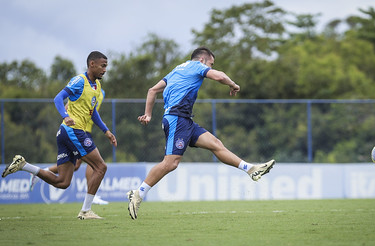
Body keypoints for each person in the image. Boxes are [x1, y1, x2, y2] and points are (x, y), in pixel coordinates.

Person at [127, 47, 275, 220]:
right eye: (211, 64)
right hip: (176, 119)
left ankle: (251, 169)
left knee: (216, 144)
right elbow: (219, 76)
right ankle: (138, 193)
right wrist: (233, 84)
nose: (210, 68)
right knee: (171, 163)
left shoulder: (177, 69)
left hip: (185, 120)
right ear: (203, 60)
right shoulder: (196, 66)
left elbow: (152, 90)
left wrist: (149, 114)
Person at [2, 51, 117, 219]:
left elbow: (93, 114)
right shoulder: (79, 81)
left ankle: (24, 166)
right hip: (73, 131)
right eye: (103, 66)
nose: (105, 70)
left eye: (106, 66)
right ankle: (86, 211)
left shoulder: (96, 87)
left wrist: (106, 131)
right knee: (101, 167)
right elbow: (58, 98)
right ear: (92, 64)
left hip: (65, 133)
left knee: (62, 182)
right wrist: (66, 116)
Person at [29, 91, 109, 205]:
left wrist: (101, 124)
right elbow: (67, 107)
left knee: (76, 166)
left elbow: (92, 112)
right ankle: (91, 196)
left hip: (86, 130)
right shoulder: (84, 88)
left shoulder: (101, 92)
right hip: (78, 131)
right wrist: (69, 119)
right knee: (97, 164)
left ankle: (40, 173)